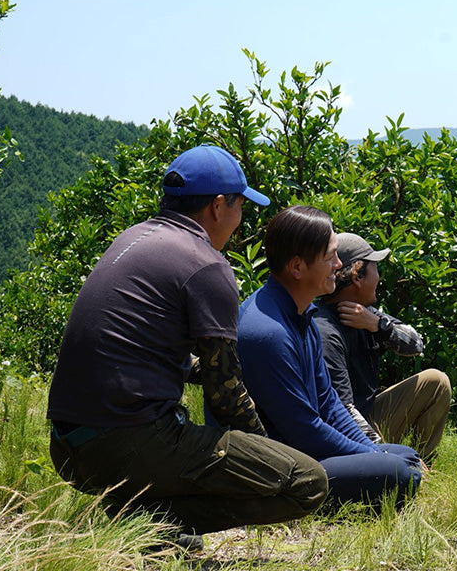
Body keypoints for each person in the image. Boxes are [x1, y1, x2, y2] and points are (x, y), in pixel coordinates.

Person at [47, 144, 329, 543]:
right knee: (307, 480)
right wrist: (271, 453)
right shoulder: (207, 265)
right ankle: (158, 526)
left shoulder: (133, 238)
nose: (240, 218)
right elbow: (226, 398)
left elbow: (142, 351)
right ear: (218, 206)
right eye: (240, 206)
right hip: (125, 445)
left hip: (68, 447)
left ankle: (139, 517)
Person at [231, 206, 422, 508]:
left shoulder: (300, 313)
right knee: (397, 472)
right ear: (297, 267)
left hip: (304, 449)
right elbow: (304, 430)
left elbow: (329, 401)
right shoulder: (268, 331)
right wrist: (373, 458)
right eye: (330, 257)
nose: (338, 265)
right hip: (280, 466)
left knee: (404, 456)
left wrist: (372, 454)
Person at [316, 232, 451, 460]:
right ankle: (407, 468)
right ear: (358, 275)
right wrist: (389, 456)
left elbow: (416, 344)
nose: (379, 277)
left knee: (436, 382)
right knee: (394, 461)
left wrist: (379, 326)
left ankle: (423, 463)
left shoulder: (366, 314)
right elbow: (342, 411)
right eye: (375, 268)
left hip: (367, 415)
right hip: (344, 432)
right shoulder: (325, 331)